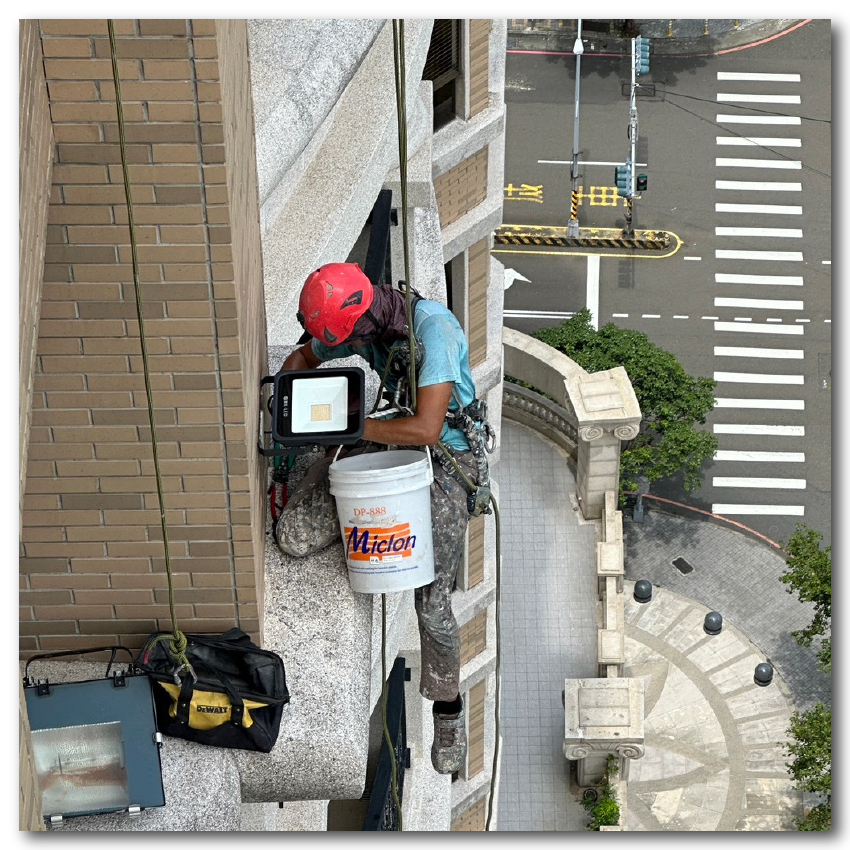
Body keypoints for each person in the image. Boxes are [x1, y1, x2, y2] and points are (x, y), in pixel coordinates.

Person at [274, 262, 491, 775]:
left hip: (446, 456)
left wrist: (353, 428)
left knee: (432, 599)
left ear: (366, 315)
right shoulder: (365, 322)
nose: (350, 344)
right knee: (295, 536)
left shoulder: (432, 330)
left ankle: (449, 707)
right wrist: (287, 395)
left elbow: (428, 428)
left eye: (351, 337)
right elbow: (305, 354)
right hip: (391, 432)